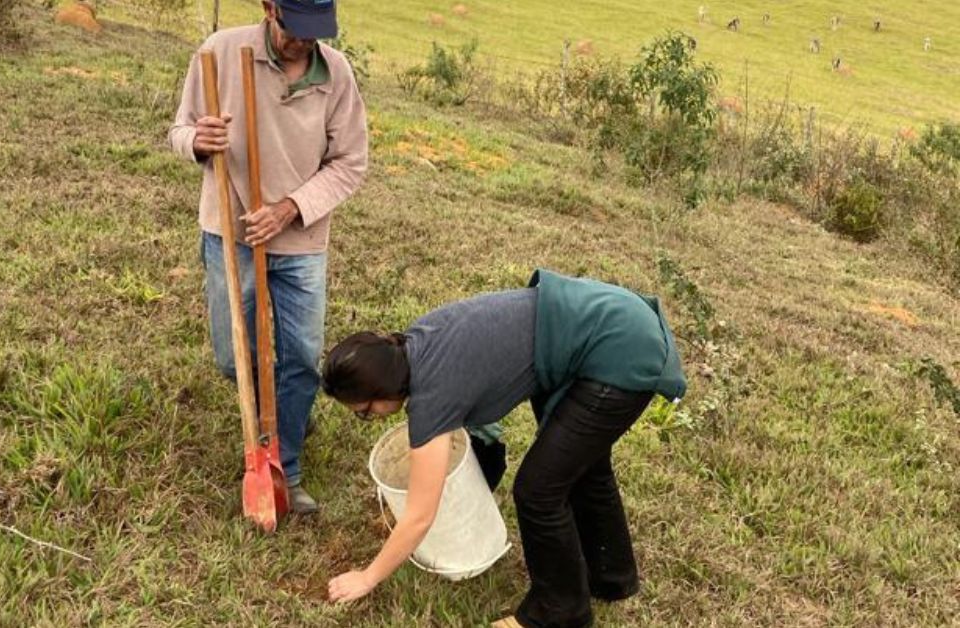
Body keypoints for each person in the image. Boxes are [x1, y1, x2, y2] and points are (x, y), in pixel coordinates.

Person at [320, 269, 687, 628]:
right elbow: (486, 431)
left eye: (365, 413)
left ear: (381, 391)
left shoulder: (432, 397)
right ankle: (611, 577)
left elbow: (419, 516)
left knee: (539, 490)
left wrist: (367, 577)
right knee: (583, 466)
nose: (371, 418)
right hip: (611, 317)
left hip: (619, 350)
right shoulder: (420, 341)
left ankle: (560, 611)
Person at [168, 0, 368, 513]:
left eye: (314, 33)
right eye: (294, 30)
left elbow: (350, 163)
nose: (303, 42)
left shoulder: (337, 74)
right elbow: (178, 130)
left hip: (299, 241)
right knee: (232, 355)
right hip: (229, 234)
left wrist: (289, 210)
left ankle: (287, 464)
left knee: (301, 357)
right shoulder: (219, 52)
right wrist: (198, 139)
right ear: (269, 8)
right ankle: (274, 411)